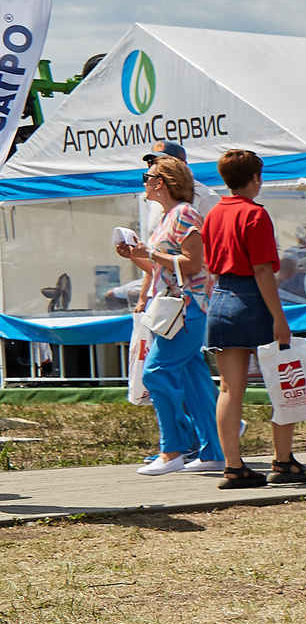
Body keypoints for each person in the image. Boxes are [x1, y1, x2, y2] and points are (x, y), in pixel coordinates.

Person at [202, 149, 306, 490]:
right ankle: (283, 460)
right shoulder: (255, 214)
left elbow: (210, 263)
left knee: (228, 389)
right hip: (252, 299)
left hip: (220, 299)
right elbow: (262, 269)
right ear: (255, 178)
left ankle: (233, 467)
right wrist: (279, 318)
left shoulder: (213, 213)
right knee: (283, 381)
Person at [116, 155, 222, 476]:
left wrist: (150, 252)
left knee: (155, 373)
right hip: (180, 308)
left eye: (147, 177)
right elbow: (162, 267)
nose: (144, 183)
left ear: (161, 182)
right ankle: (212, 452)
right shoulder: (170, 216)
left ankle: (173, 449)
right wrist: (136, 255)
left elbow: (193, 264)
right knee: (194, 380)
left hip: (186, 308)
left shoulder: (184, 214)